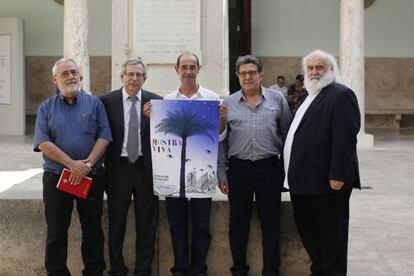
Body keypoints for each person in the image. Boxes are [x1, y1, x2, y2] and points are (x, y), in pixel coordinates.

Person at [143, 52, 225, 276]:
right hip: (173, 175)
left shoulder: (211, 99)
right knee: (176, 226)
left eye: (192, 67)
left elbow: (218, 137)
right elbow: (160, 135)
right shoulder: (166, 101)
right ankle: (179, 269)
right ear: (176, 69)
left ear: (199, 69)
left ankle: (199, 270)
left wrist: (221, 120)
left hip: (201, 171)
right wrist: (151, 118)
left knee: (201, 227)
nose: (188, 71)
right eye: (184, 67)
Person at [283, 49, 360, 276]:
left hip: (326, 185)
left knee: (331, 241)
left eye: (320, 67)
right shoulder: (309, 96)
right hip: (303, 184)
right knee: (312, 239)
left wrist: (338, 174)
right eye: (310, 68)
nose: (314, 72)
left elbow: (345, 139)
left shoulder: (341, 94)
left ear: (331, 70)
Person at [33, 57, 112, 275]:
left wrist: (87, 165)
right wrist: (71, 165)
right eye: (65, 73)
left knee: (93, 229)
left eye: (74, 72)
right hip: (57, 177)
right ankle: (56, 272)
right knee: (57, 231)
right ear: (55, 79)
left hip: (91, 176)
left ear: (81, 76)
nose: (71, 77)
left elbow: (104, 136)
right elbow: (43, 142)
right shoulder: (45, 108)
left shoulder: (95, 104)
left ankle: (94, 271)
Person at [218, 55, 291, 276]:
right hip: (238, 170)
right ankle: (239, 269)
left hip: (269, 169)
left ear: (260, 75)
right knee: (238, 225)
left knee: (271, 226)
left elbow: (288, 136)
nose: (248, 77)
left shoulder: (277, 100)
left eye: (252, 73)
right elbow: (221, 140)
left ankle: (271, 271)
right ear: (237, 77)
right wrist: (222, 173)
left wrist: (288, 174)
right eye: (243, 73)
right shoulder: (227, 104)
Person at [100, 59, 162, 276]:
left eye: (139, 75)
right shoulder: (107, 101)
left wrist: (155, 119)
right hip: (119, 168)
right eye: (130, 74)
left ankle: (143, 269)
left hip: (146, 168)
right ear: (122, 77)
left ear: (144, 78)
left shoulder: (156, 102)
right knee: (116, 221)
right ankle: (117, 268)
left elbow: (165, 133)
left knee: (146, 222)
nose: (134, 78)